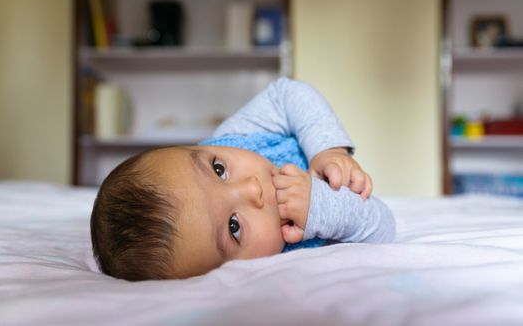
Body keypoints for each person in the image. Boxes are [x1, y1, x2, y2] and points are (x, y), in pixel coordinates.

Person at [90, 77, 396, 281]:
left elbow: (287, 94)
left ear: (200, 146)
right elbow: (383, 227)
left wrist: (327, 150)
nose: (252, 188)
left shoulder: (233, 137)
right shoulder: (290, 261)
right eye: (234, 227)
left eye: (219, 170)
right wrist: (323, 208)